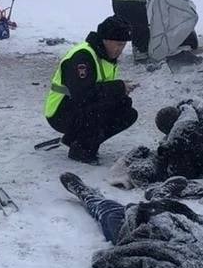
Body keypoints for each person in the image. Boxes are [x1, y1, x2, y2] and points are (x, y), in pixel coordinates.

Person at [59, 170, 203, 268]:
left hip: (138, 231)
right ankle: (160, 196)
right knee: (158, 208)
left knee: (109, 212)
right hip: (164, 220)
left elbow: (112, 259)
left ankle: (89, 196)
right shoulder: (192, 236)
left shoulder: (161, 252)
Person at [44, 15, 138, 164]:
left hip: (76, 108)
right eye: (118, 44)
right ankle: (81, 149)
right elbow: (82, 94)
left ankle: (75, 139)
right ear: (105, 39)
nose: (121, 49)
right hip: (61, 111)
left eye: (123, 45)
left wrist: (121, 92)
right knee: (102, 109)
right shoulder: (83, 56)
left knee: (125, 108)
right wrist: (119, 87)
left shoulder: (105, 55)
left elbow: (100, 91)